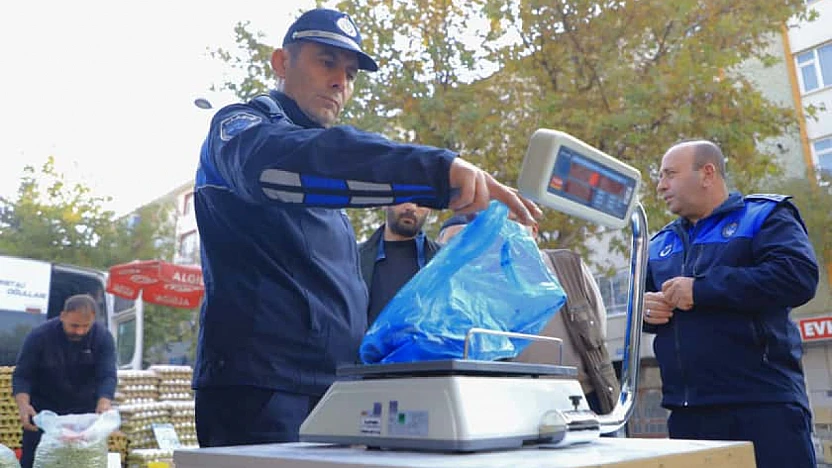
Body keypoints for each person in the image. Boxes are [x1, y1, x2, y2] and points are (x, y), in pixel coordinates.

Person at [192, 7, 541, 447]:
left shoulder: (324, 182)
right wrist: (437, 171)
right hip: (261, 391)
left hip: (335, 390)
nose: (341, 82)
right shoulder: (240, 129)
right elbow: (282, 163)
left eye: (351, 73)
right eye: (326, 62)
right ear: (282, 63)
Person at [643, 140, 818, 468]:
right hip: (686, 413)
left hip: (762, 406)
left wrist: (702, 290)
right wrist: (646, 311)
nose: (661, 185)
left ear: (707, 173)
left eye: (670, 174)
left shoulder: (765, 216)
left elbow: (798, 277)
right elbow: (646, 311)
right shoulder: (659, 243)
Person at [436, 214, 619, 415]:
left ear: (534, 229)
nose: (508, 227)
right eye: (502, 219)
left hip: (583, 395)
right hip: (520, 400)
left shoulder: (566, 265)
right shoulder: (485, 278)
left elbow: (598, 326)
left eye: (516, 219)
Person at [12, 294, 116, 468]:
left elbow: (107, 375)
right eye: (74, 325)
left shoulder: (102, 337)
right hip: (43, 416)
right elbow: (23, 375)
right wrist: (23, 405)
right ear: (62, 316)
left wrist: (104, 402)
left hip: (83, 418)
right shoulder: (39, 336)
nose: (80, 331)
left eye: (86, 326)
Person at [359, 203, 440, 325]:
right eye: (405, 197)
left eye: (422, 202)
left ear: (430, 210)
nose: (412, 207)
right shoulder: (351, 259)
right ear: (385, 203)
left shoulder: (444, 262)